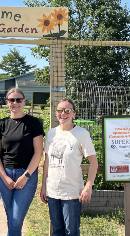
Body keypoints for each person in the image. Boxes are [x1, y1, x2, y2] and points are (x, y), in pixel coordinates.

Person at [40, 98, 98, 236]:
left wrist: (88, 186)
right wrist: (43, 187)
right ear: (56, 113)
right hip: (53, 190)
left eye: (67, 110)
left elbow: (93, 162)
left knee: (71, 231)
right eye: (60, 110)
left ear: (74, 114)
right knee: (57, 230)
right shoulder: (51, 133)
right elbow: (47, 161)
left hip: (71, 192)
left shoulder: (82, 134)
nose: (63, 113)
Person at [0, 87, 44, 236]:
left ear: (24, 101)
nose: (15, 103)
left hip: (27, 175)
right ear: (7, 102)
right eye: (11, 100)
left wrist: (25, 176)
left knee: (15, 219)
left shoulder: (33, 123)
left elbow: (38, 152)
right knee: (11, 217)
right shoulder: (1, 124)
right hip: (5, 174)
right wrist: (4, 177)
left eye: (18, 100)